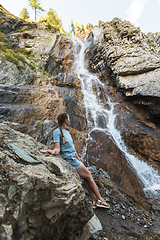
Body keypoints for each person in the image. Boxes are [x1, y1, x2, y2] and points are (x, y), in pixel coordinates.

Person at [41, 113, 110, 209]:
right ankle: (101, 199)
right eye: (68, 118)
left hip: (74, 159)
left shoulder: (67, 132)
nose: (69, 120)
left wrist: (80, 160)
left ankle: (94, 200)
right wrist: (49, 151)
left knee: (86, 176)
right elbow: (57, 149)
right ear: (65, 120)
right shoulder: (57, 132)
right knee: (89, 175)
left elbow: (73, 149)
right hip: (69, 160)